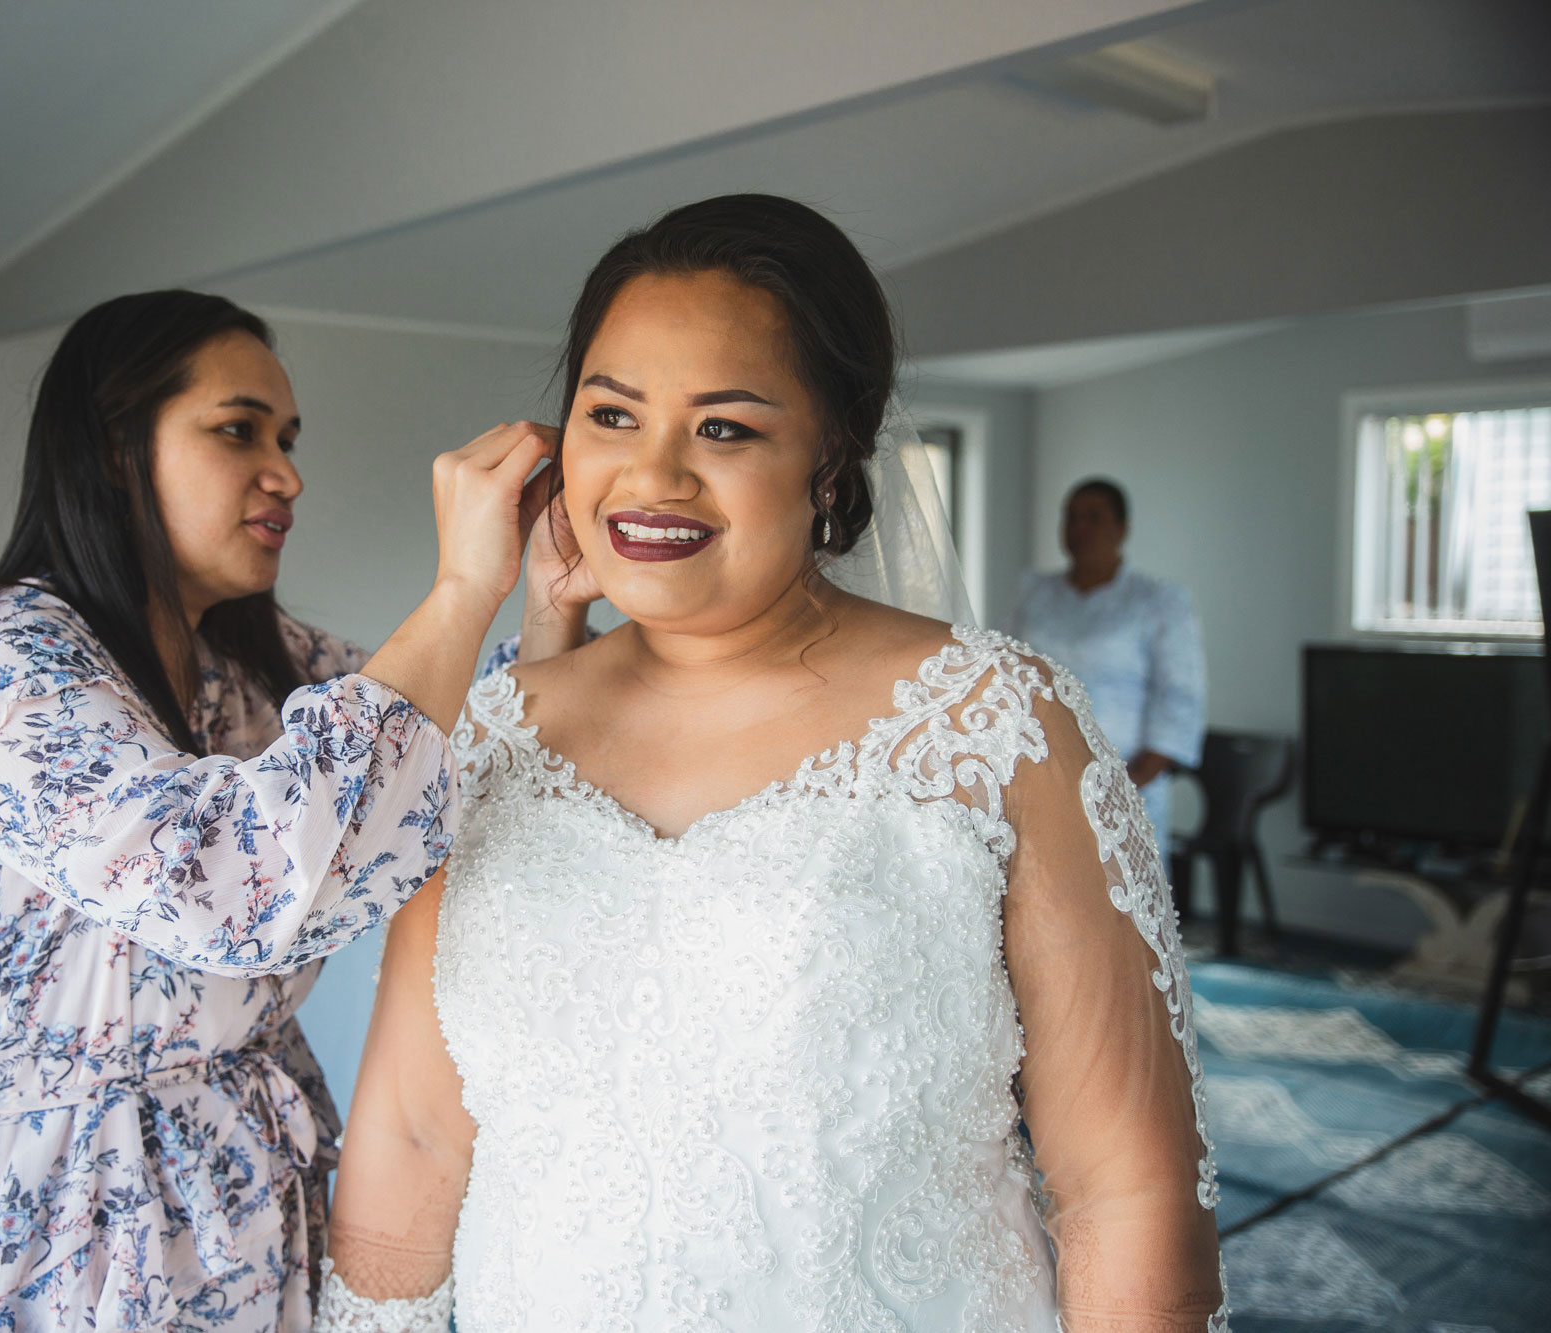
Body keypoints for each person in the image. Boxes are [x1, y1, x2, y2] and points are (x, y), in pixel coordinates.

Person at [318, 196, 1225, 1331]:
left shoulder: (996, 728)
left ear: (830, 455)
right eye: (611, 414)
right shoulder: (482, 740)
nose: (652, 476)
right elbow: (410, 1131)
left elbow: (1120, 1187)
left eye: (723, 428)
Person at [0, 291, 589, 1332]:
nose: (287, 473)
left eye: (288, 438)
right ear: (114, 445)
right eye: (237, 429)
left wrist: (547, 602)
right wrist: (458, 587)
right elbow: (229, 885)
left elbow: (455, 758)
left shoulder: (256, 663)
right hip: (51, 1232)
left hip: (257, 1204)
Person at [1008, 479, 1207, 834]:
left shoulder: (1158, 601)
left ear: (1121, 529)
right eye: (1070, 517)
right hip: (1040, 776)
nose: (1078, 528)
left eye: (1093, 518)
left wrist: (1131, 780)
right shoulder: (1035, 594)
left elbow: (1178, 696)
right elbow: (1009, 673)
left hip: (1127, 783)